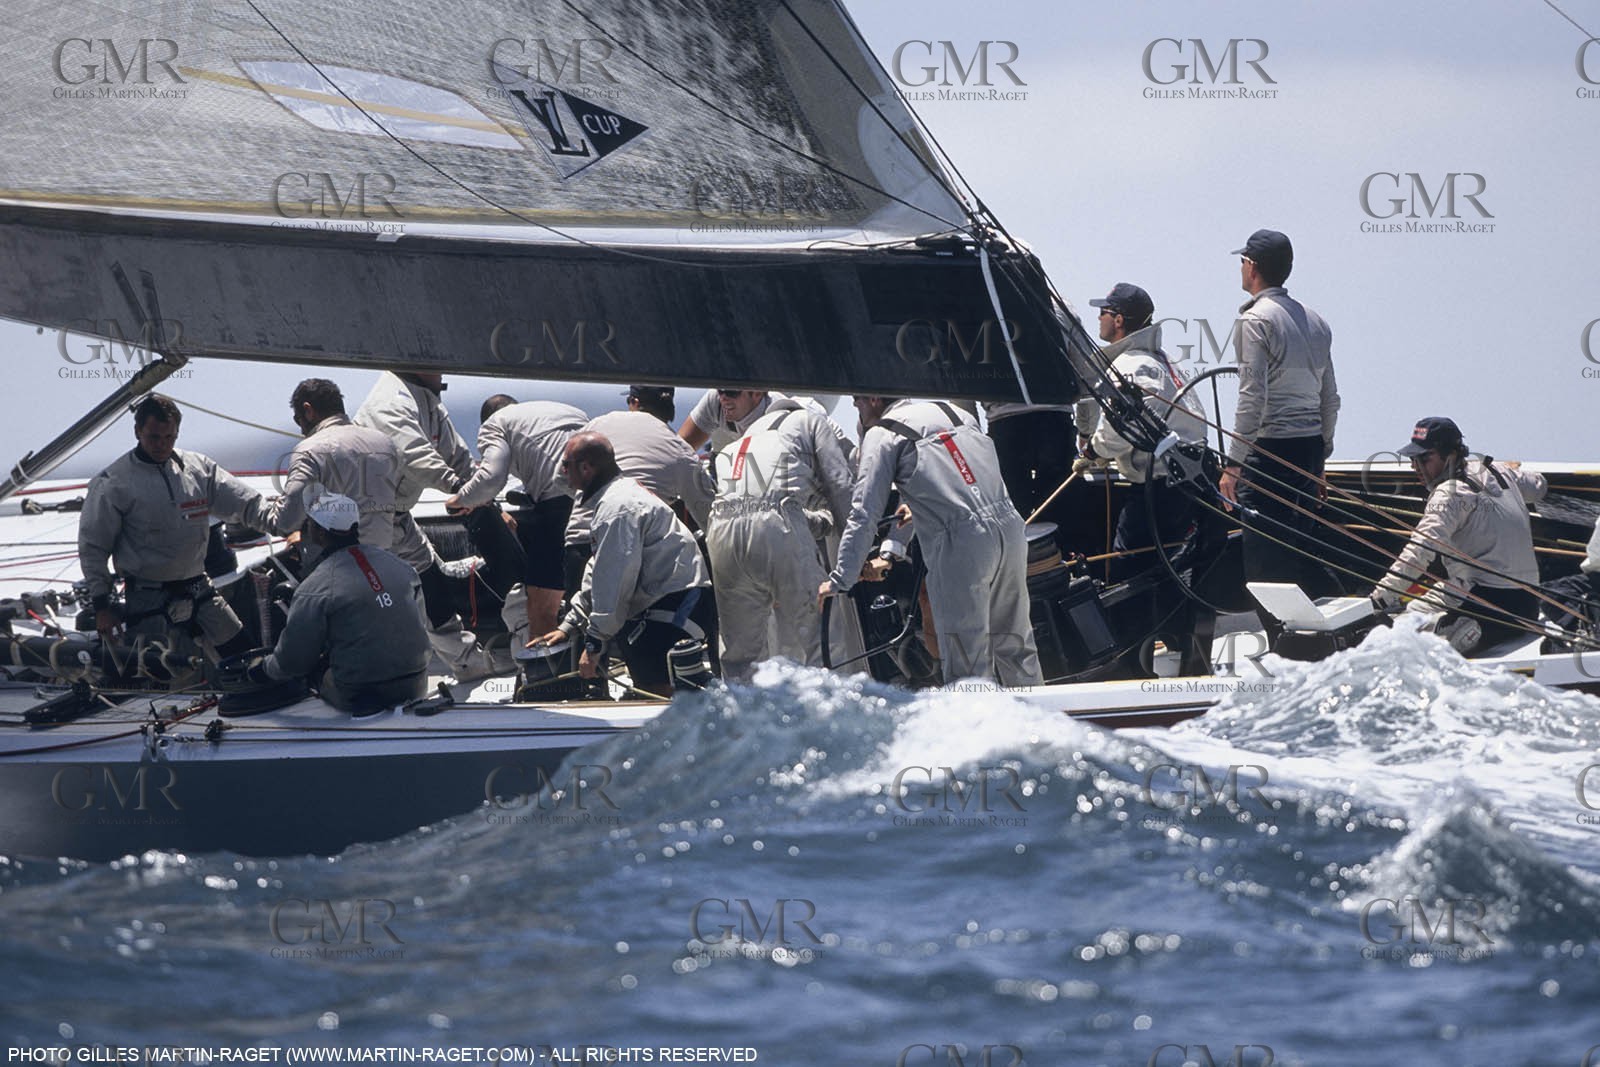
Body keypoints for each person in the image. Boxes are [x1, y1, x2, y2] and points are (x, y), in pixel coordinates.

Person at [820, 397, 1043, 686]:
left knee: (968, 661)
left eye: (857, 401)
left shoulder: (883, 434)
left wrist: (841, 580)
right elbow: (963, 476)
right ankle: (1041, 721)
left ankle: (980, 729)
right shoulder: (954, 412)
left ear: (873, 399)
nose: (855, 409)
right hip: (1010, 529)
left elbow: (864, 514)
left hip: (961, 544)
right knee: (1017, 646)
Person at [79, 394, 271, 657]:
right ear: (137, 432)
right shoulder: (113, 483)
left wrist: (284, 521)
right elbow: (93, 548)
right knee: (156, 671)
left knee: (245, 654)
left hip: (198, 586)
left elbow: (245, 504)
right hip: (147, 599)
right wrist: (102, 606)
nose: (162, 445)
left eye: (170, 438)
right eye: (154, 437)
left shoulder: (198, 469)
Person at [531, 433, 718, 698]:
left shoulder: (617, 508)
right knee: (646, 683)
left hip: (677, 604)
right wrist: (569, 625)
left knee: (660, 693)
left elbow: (614, 582)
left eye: (566, 465)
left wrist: (593, 645)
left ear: (586, 468)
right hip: (666, 600)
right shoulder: (614, 499)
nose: (562, 472)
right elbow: (600, 570)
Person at [1216, 229, 1341, 596]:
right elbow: (1329, 398)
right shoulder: (1317, 321)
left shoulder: (1254, 321)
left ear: (1252, 267)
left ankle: (1285, 646)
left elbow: (1252, 397)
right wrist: (1321, 458)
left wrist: (1233, 464)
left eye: (1242, 262)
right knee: (1301, 548)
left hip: (1270, 454)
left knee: (1264, 567)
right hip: (1309, 450)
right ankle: (1330, 631)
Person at [705, 394, 856, 680]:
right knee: (822, 638)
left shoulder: (739, 444)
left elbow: (756, 511)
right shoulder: (810, 421)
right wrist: (860, 553)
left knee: (740, 657)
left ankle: (741, 717)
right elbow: (840, 484)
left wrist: (821, 522)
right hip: (775, 529)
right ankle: (829, 716)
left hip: (720, 532)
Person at [1371, 417, 1546, 655]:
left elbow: (1420, 550)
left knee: (1400, 631)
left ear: (1451, 455)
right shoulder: (1500, 471)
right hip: (1529, 604)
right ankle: (1471, 628)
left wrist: (1380, 598)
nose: (1416, 467)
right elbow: (1539, 486)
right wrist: (1512, 471)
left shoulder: (1449, 494)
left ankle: (1456, 630)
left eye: (1424, 458)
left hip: (1483, 599)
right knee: (1423, 603)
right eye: (1413, 459)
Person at [1075, 283, 1206, 571]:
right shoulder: (1163, 360)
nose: (1099, 317)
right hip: (1184, 481)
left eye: (1104, 312)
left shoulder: (1133, 365)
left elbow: (1130, 423)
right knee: (1167, 566)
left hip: (1158, 488)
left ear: (1119, 320)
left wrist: (1094, 450)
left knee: (1130, 565)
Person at [261, 491, 430, 713]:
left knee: (309, 667)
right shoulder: (402, 568)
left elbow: (292, 663)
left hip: (359, 695)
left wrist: (263, 668)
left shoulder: (314, 588)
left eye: (308, 525)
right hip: (417, 685)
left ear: (320, 533)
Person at [447, 394, 588, 636]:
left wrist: (460, 500)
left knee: (540, 606)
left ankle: (547, 669)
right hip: (600, 502)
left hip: (559, 506)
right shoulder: (566, 411)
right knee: (585, 597)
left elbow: (491, 478)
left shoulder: (495, 425)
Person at [353, 371, 476, 625]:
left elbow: (457, 454)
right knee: (376, 602)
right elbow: (413, 455)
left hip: (398, 517)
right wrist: (458, 487)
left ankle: (467, 663)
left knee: (431, 589)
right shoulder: (389, 402)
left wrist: (480, 492)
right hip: (366, 522)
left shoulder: (428, 401)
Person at [265, 379, 403, 551]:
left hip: (339, 559)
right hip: (382, 553)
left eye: (297, 419)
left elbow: (286, 521)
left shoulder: (310, 450)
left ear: (308, 410)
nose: (300, 430)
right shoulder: (384, 442)